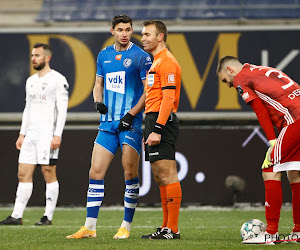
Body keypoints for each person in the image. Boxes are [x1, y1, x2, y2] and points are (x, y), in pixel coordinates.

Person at [66, 14, 152, 239]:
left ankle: (126, 226)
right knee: (95, 171)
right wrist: (98, 102)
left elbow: (147, 91)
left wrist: (131, 114)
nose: (125, 34)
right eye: (120, 30)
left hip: (129, 123)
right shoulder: (104, 55)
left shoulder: (141, 57)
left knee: (129, 171)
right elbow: (98, 84)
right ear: (112, 30)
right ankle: (90, 227)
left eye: (128, 29)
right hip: (107, 123)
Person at [217, 56, 300, 244]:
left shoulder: (240, 78)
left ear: (230, 70)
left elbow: (260, 110)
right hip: (295, 116)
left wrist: (272, 142)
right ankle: (298, 232)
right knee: (294, 173)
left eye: (225, 81)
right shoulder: (261, 69)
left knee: (270, 169)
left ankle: (270, 234)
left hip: (295, 119)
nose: (229, 85)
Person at [0, 43, 69, 226]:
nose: (33, 58)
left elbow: (62, 111)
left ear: (47, 58)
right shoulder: (30, 81)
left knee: (48, 172)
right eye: (32, 55)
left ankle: (48, 216)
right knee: (23, 173)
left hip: (48, 133)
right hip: (31, 134)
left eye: (37, 55)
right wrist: (22, 134)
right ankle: (16, 216)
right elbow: (27, 109)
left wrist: (57, 135)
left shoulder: (58, 80)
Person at [140, 20, 182, 240]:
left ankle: (172, 229)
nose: (143, 38)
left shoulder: (166, 62)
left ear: (160, 37)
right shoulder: (155, 62)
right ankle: (166, 227)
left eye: (148, 34)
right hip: (153, 120)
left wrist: (157, 128)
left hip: (161, 122)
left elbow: (168, 98)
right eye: (143, 34)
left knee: (167, 174)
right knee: (159, 176)